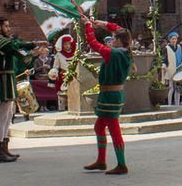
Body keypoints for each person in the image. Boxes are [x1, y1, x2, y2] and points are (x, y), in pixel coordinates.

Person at [0, 17, 42, 163]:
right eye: (5, 26)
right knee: (3, 116)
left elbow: (16, 44)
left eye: (8, 25)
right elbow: (17, 52)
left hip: (6, 79)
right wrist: (33, 53)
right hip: (2, 80)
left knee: (8, 115)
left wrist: (31, 46)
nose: (8, 28)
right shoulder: (1, 42)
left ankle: (4, 149)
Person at [82, 18, 132, 175]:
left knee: (114, 130)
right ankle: (101, 161)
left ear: (119, 41)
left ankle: (121, 164)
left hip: (111, 96)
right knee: (99, 127)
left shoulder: (114, 53)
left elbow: (93, 43)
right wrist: (101, 23)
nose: (112, 40)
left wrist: (88, 26)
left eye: (114, 38)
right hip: (111, 95)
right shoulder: (125, 50)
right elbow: (119, 29)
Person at [48, 35, 76, 111]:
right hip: (63, 77)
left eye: (68, 44)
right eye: (65, 44)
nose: (67, 46)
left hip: (74, 76)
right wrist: (54, 72)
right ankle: (62, 109)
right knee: (62, 95)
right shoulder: (59, 55)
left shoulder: (75, 54)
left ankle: (74, 108)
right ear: (62, 45)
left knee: (74, 93)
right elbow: (55, 67)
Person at [162, 31, 182, 106]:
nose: (174, 40)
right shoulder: (166, 48)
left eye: (175, 39)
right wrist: (164, 65)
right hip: (171, 69)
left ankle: (177, 104)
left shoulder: (180, 47)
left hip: (179, 69)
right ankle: (169, 104)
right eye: (172, 39)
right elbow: (164, 59)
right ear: (170, 40)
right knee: (171, 88)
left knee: (178, 88)